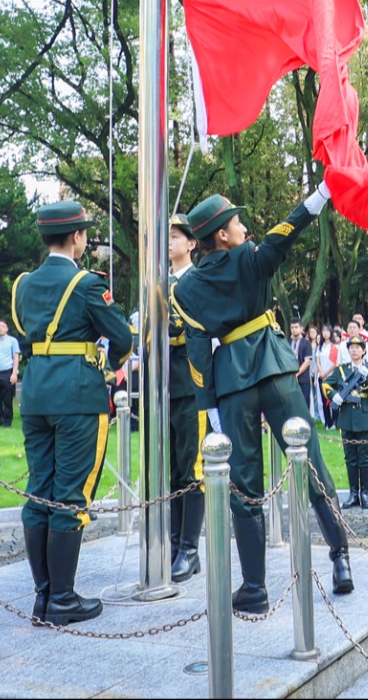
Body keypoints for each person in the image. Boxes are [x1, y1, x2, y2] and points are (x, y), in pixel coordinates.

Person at [170, 186, 354, 612]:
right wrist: (322, 194)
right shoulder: (251, 258)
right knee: (308, 461)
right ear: (221, 235)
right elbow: (286, 231)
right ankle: (341, 559)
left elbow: (198, 353)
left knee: (243, 485)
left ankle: (254, 588)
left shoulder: (187, 289)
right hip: (274, 369)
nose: (244, 226)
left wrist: (211, 406)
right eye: (236, 222)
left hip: (232, 382)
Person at [10, 200, 134, 625]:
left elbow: (27, 338)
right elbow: (121, 337)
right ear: (78, 237)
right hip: (78, 397)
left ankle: (44, 596)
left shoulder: (23, 284)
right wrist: (111, 365)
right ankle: (62, 599)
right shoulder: (87, 284)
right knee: (70, 495)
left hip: (37, 394)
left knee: (38, 490)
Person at [166, 212, 207, 583]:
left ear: (192, 243)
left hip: (191, 385)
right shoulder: (158, 283)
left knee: (192, 468)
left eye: (176, 235)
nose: (170, 241)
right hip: (162, 388)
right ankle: (174, 543)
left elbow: (189, 327)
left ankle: (189, 550)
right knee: (170, 470)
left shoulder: (197, 279)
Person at [325, 336, 368, 509]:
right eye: (352, 347)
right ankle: (353, 494)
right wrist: (333, 395)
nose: (355, 350)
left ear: (364, 351)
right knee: (350, 457)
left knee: (364, 457)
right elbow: (325, 385)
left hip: (364, 417)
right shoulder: (341, 370)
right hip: (346, 418)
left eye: (358, 347)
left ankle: (364, 493)